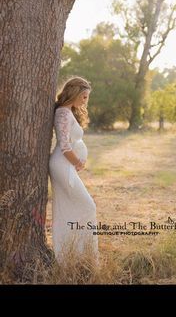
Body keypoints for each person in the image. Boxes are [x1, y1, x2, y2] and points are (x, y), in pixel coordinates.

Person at [49, 76, 99, 265]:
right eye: (84, 96)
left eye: (87, 97)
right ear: (75, 92)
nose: (85, 101)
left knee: (71, 207)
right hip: (61, 165)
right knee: (87, 206)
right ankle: (72, 254)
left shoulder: (68, 112)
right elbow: (64, 146)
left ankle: (75, 255)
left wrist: (77, 162)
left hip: (66, 165)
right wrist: (77, 161)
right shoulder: (62, 113)